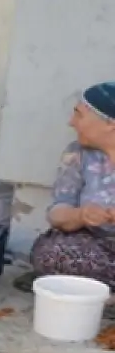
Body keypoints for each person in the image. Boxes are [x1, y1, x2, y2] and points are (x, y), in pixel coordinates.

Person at [29, 82, 115, 288]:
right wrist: (81, 215)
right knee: (50, 253)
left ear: (110, 123)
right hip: (99, 248)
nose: (71, 122)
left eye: (79, 115)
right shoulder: (78, 154)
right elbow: (58, 212)